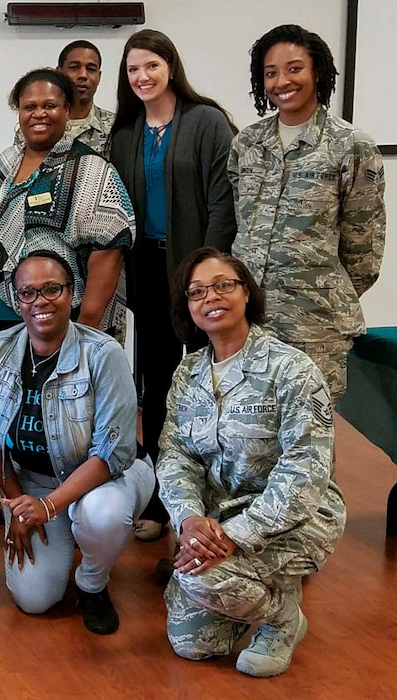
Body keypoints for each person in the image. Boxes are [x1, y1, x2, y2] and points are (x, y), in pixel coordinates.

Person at [158, 246, 345, 678]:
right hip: (215, 516)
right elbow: (175, 455)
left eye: (224, 285)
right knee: (190, 645)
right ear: (187, 307)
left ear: (247, 294)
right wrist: (188, 520)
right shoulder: (188, 374)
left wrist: (235, 536)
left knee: (199, 578)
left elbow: (305, 470)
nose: (212, 298)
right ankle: (248, 592)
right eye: (197, 291)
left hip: (294, 518)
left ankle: (283, 618)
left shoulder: (291, 369)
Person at [0, 251, 155, 635]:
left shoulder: (104, 353)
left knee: (101, 514)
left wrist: (50, 506)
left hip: (108, 479)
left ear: (72, 293)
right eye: (27, 292)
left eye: (52, 289)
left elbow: (112, 452)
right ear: (16, 300)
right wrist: (18, 505)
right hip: (34, 481)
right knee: (35, 600)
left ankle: (93, 581)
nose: (40, 301)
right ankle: (69, 533)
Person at [108, 29, 237, 541]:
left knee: (211, 383)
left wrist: (207, 273)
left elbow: (223, 202)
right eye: (133, 69)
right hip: (146, 270)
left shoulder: (207, 122)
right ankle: (165, 498)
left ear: (170, 67)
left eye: (151, 66)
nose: (142, 77)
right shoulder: (125, 134)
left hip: (200, 273)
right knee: (156, 383)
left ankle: (222, 495)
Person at [230, 24, 386, 403]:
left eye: (294, 68)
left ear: (318, 72)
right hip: (247, 318)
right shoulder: (247, 143)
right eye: (270, 72)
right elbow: (239, 224)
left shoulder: (351, 145)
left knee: (308, 435)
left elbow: (363, 250)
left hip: (315, 322)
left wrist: (315, 292)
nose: (282, 81)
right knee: (246, 432)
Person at [0, 68, 134, 334]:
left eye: (50, 105)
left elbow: (110, 247)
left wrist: (87, 325)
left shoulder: (89, 168)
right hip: (4, 320)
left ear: (67, 110)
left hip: (63, 322)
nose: (39, 114)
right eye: (29, 107)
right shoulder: (5, 162)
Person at [57, 40, 115, 156]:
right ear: (59, 73)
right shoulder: (40, 124)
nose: (83, 75)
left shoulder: (115, 127)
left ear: (99, 77)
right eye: (74, 67)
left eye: (91, 69)